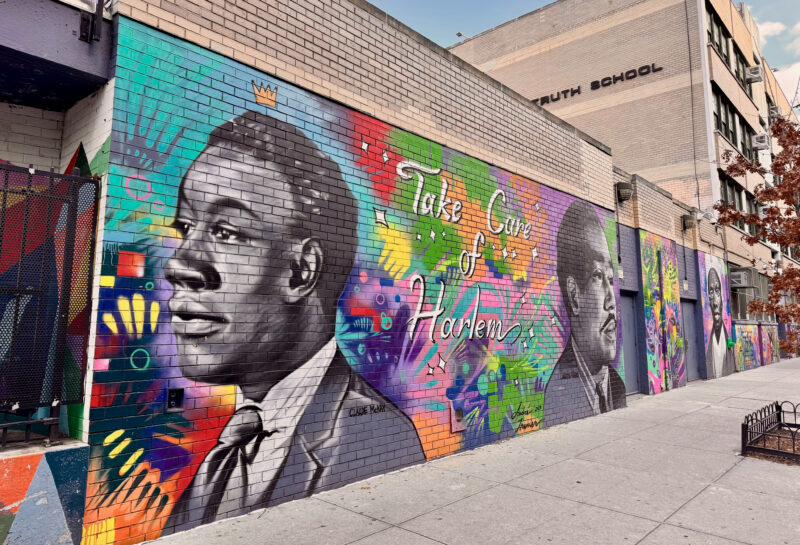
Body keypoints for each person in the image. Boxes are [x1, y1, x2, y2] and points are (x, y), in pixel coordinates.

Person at [163, 111, 425, 532]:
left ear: (301, 271)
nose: (180, 264)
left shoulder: (375, 432)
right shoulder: (242, 432)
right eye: (186, 227)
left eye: (226, 232)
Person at [543, 201, 626, 427]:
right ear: (574, 295)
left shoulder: (618, 386)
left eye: (611, 279)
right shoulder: (556, 395)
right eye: (598, 276)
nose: (613, 303)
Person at [706, 267, 735, 377]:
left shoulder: (726, 335)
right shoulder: (709, 346)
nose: (715, 303)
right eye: (711, 292)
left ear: (723, 297)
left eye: (717, 291)